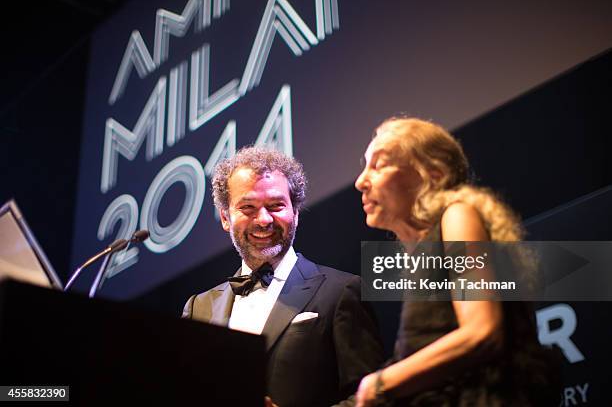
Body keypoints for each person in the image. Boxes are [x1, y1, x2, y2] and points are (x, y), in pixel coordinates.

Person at [353, 117, 560, 406]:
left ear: (432, 175)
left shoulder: (458, 216)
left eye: (378, 165)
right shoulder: (423, 255)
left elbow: (482, 331)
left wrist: (381, 383)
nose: (361, 181)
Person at [182, 146, 384, 407]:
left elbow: (373, 398)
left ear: (296, 213)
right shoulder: (198, 308)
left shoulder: (341, 291)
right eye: (248, 207)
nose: (264, 219)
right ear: (225, 218)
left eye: (276, 205)